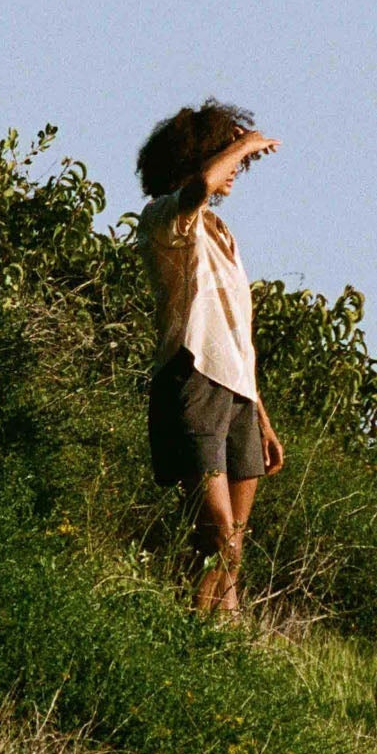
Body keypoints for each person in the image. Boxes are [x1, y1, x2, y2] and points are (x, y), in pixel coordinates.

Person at [134, 102, 285, 618]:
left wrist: (261, 417)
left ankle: (222, 643)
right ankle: (187, 634)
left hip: (237, 390)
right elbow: (199, 187)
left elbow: (238, 334)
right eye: (225, 155)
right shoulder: (165, 216)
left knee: (234, 548)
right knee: (216, 535)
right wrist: (244, 144)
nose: (237, 168)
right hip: (193, 377)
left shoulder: (221, 233)